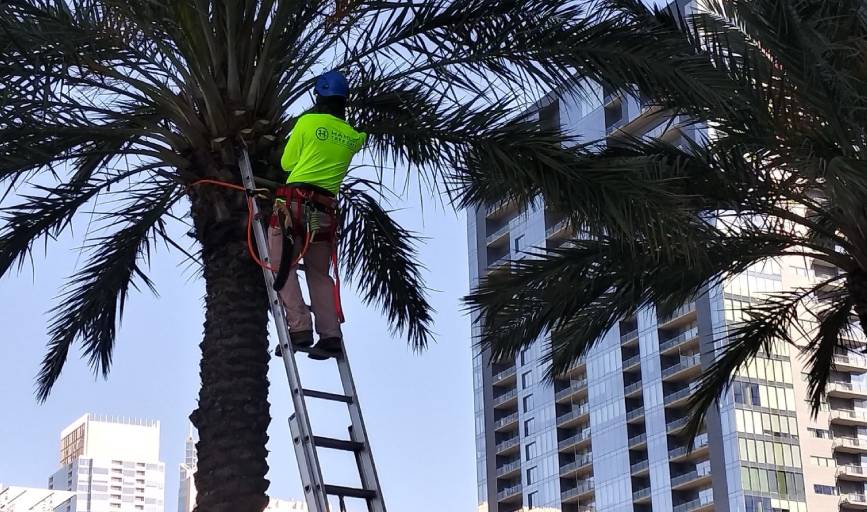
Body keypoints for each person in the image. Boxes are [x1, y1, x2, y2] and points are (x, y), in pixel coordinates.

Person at [269, 70, 366, 359]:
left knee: (281, 264)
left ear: (320, 96)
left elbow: (287, 163)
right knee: (319, 275)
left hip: (292, 205)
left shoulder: (307, 122)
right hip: (323, 213)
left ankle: (299, 328)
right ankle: (330, 335)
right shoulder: (354, 137)